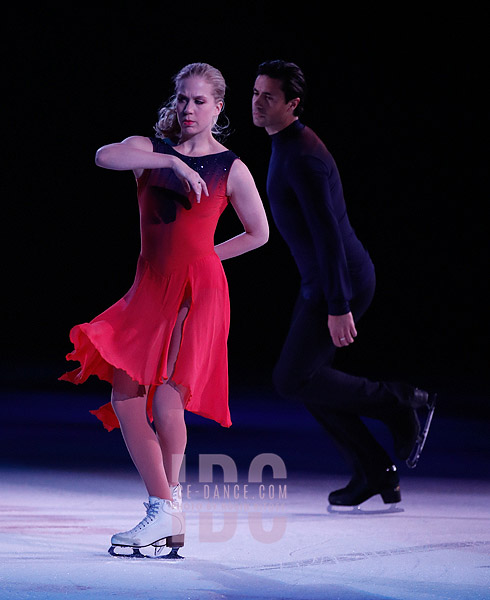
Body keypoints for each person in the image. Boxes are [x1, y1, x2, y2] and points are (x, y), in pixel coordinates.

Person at [60, 62, 269, 554]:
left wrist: (207, 258)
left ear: (219, 107)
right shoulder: (151, 151)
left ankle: (162, 508)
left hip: (198, 290)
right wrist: (173, 164)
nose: (189, 109)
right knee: (126, 396)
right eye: (183, 99)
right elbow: (102, 155)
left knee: (167, 396)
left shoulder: (231, 167)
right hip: (149, 287)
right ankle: (167, 510)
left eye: (200, 101)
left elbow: (259, 233)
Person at [252, 60, 435, 508]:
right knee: (303, 379)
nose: (257, 102)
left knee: (292, 378)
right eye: (255, 92)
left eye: (268, 96)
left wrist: (338, 304)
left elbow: (329, 236)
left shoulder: (304, 157)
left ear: (292, 104)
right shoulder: (286, 144)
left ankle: (402, 402)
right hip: (323, 281)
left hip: (342, 281)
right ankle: (376, 472)